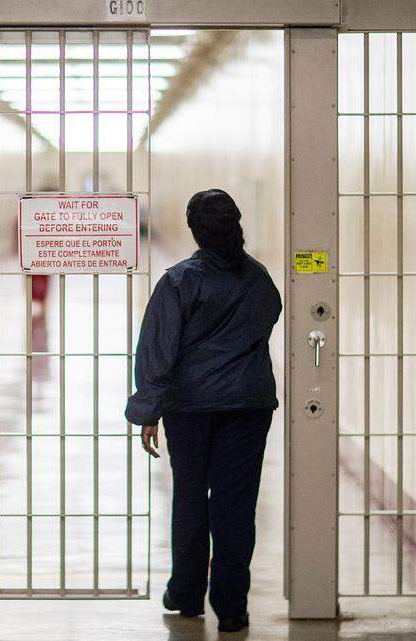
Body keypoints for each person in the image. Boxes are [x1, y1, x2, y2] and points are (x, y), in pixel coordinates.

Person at [125, 189, 282, 633]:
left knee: (191, 495)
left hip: (191, 407)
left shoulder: (180, 281)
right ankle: (232, 608)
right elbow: (267, 316)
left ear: (194, 230)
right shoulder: (258, 278)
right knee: (236, 504)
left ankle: (187, 592)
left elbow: (157, 349)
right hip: (248, 406)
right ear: (236, 226)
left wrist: (147, 410)